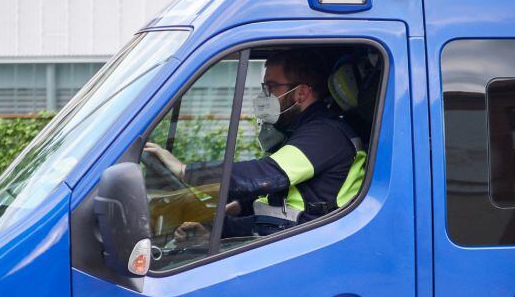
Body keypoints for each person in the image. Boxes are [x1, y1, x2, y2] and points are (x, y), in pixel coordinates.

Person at [145, 50, 366, 243]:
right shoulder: (299, 132)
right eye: (264, 87)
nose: (264, 95)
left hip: (310, 251)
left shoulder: (324, 135)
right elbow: (279, 213)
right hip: (294, 243)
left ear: (301, 93)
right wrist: (218, 227)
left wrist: (186, 171)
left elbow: (266, 175)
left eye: (271, 86)